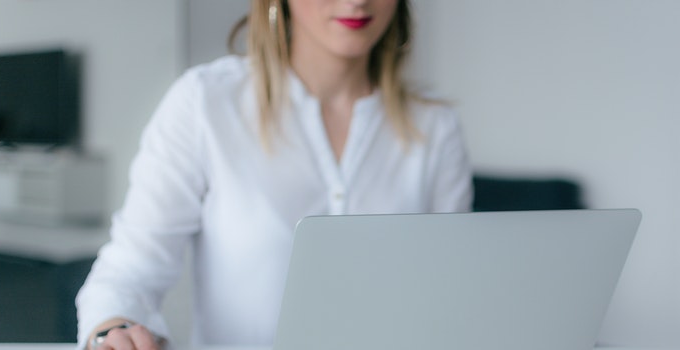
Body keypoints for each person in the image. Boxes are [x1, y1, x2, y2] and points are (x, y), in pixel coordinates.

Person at [75, 0, 473, 349]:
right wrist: (113, 329)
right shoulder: (205, 104)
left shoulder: (436, 128)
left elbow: (451, 294)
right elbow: (129, 272)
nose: (358, 0)